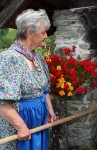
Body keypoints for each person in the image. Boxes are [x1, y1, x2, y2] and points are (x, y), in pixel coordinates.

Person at [0, 9, 56, 150]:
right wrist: (21, 127)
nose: (46, 36)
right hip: (21, 123)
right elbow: (2, 102)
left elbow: (44, 89)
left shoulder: (38, 58)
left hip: (39, 121)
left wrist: (50, 111)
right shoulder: (10, 59)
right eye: (43, 32)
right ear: (30, 33)